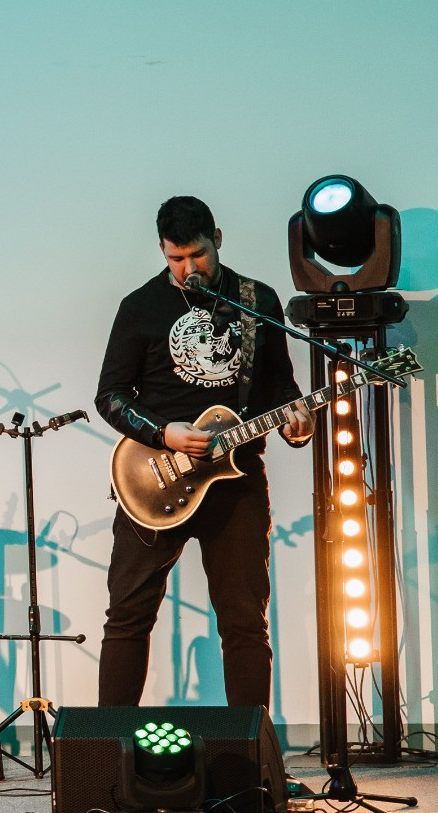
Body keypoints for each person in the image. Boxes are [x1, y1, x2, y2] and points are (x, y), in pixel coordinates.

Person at [94, 197, 313, 709]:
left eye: (198, 254)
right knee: (128, 617)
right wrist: (163, 433)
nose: (188, 268)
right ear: (162, 251)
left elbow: (280, 386)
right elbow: (110, 396)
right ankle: (108, 749)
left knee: (245, 622)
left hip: (235, 482)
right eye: (176, 258)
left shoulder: (256, 300)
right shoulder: (140, 307)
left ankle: (250, 752)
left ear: (217, 238)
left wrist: (296, 421)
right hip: (154, 480)